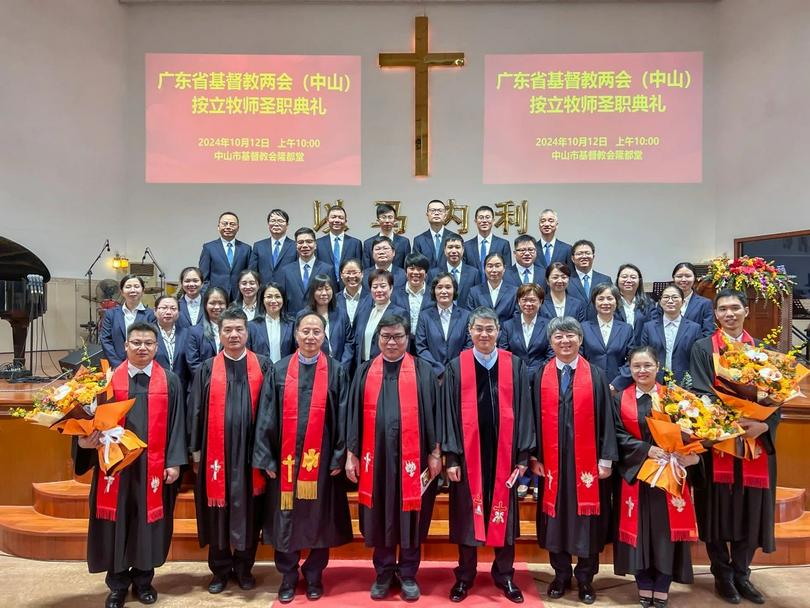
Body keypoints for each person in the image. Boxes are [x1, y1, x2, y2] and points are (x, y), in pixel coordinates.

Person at [74, 322, 186, 608]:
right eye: (136, 342)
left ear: (157, 347)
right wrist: (83, 443)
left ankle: (144, 580)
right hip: (116, 468)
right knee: (116, 523)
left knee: (147, 523)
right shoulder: (107, 380)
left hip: (152, 468)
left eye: (148, 343)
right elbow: (87, 424)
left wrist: (173, 462)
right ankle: (118, 584)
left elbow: (177, 425)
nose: (142, 348)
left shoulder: (170, 380)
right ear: (125, 345)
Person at [253, 312, 353, 603]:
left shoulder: (336, 371)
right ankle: (287, 576)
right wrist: (267, 458)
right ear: (295, 335)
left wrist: (338, 456)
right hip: (285, 463)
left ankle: (313, 576)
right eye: (305, 331)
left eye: (316, 332)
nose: (311, 337)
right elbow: (266, 416)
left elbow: (344, 417)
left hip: (320, 465)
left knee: (318, 520)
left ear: (324, 336)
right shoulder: (279, 370)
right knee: (285, 518)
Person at [689, 289, 778, 605]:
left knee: (750, 511)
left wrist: (764, 424)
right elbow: (701, 391)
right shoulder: (702, 349)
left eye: (735, 308)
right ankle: (721, 575)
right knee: (715, 510)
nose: (729, 313)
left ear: (745, 311)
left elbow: (777, 396)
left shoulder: (763, 352)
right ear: (715, 314)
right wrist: (729, 423)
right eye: (723, 309)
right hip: (719, 445)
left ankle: (742, 573)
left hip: (756, 444)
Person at [346, 313, 442, 601]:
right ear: (377, 339)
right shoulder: (364, 371)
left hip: (413, 462)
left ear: (407, 338)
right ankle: (384, 572)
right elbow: (351, 416)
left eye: (397, 336)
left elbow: (435, 416)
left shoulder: (423, 371)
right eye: (385, 336)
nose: (391, 342)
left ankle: (409, 573)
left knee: (411, 516)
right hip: (376, 462)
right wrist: (351, 455)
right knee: (381, 515)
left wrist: (435, 453)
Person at [442, 307, 534, 604]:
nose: (484, 334)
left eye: (489, 329)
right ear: (469, 332)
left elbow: (525, 413)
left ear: (499, 332)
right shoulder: (457, 366)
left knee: (503, 517)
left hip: (505, 456)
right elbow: (449, 415)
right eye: (478, 329)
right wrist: (452, 458)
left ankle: (505, 575)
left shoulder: (514, 365)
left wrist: (522, 456)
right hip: (468, 459)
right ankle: (465, 575)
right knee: (469, 515)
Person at [531, 316, 617, 604]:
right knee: (556, 520)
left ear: (581, 340)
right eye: (558, 336)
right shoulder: (539, 375)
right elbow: (531, 420)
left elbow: (607, 420)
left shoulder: (596, 375)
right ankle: (560, 575)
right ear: (550, 341)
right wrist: (534, 457)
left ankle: (585, 578)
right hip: (552, 465)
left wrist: (606, 459)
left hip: (587, 466)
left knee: (586, 522)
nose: (564, 341)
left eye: (570, 336)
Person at [187, 308, 273, 594]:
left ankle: (244, 567)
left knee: (250, 511)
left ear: (247, 333)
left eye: (239, 329)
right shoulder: (208, 368)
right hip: (217, 456)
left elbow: (272, 412)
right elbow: (196, 411)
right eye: (227, 330)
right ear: (218, 334)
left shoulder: (263, 365)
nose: (233, 335)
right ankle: (220, 569)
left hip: (252, 456)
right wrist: (196, 452)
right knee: (218, 511)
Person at [614, 346, 701, 608]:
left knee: (664, 532)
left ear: (657, 367)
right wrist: (646, 449)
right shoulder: (620, 399)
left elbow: (694, 432)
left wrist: (691, 455)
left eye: (647, 366)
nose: (641, 371)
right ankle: (643, 582)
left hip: (669, 476)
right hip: (637, 473)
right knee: (640, 531)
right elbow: (616, 435)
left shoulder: (675, 399)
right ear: (629, 369)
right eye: (636, 366)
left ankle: (663, 582)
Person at [639, 285, 702, 386]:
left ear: (683, 302)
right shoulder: (649, 327)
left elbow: (697, 360)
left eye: (675, 297)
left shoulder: (694, 328)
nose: (670, 301)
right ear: (660, 302)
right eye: (666, 297)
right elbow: (644, 355)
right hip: (655, 381)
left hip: (684, 382)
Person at [415, 272, 472, 379]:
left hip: (459, 374)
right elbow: (421, 347)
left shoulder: (466, 315)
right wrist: (439, 370)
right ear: (434, 291)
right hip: (432, 375)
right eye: (439, 287)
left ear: (454, 290)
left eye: (448, 287)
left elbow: (469, 345)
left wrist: (454, 368)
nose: (444, 291)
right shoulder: (424, 316)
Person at [581, 283, 635, 391]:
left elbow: (632, 360)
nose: (605, 303)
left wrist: (616, 385)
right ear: (594, 302)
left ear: (616, 302)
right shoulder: (583, 328)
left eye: (610, 298)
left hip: (618, 388)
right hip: (589, 386)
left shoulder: (626, 329)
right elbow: (579, 358)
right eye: (601, 299)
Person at [351, 269, 409, 366]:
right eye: (375, 287)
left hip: (387, 367)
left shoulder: (400, 313)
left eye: (383, 286)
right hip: (362, 366)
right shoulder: (363, 312)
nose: (379, 290)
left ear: (391, 288)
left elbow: (404, 346)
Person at [100, 274, 157, 368]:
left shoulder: (151, 315)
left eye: (136, 286)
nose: (132, 290)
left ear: (143, 291)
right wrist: (117, 364)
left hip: (143, 365)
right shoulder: (111, 314)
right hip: (116, 365)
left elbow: (153, 341)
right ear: (122, 292)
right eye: (128, 287)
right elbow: (105, 340)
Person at [499, 283, 552, 378]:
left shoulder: (549, 325)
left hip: (541, 376)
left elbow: (551, 353)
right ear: (519, 301)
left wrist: (539, 373)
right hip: (514, 375)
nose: (528, 304)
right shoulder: (508, 325)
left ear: (540, 302)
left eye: (532, 300)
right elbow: (503, 353)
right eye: (524, 300)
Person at [199, 211, 251, 300]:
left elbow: (249, 274)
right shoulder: (209, 248)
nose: (228, 227)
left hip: (239, 297)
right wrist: (207, 295)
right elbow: (204, 277)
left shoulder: (246, 249)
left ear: (238, 228)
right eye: (225, 224)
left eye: (232, 224)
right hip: (216, 297)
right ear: (218, 227)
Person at [278, 227, 332, 314]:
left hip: (319, 320)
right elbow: (282, 299)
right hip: (292, 321)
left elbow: (332, 299)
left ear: (315, 245)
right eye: (300, 242)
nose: (305, 245)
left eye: (309, 241)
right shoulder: (286, 271)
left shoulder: (327, 269)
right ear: (296, 246)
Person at [305, 273, 354, 366]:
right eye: (320, 289)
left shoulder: (341, 313)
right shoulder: (304, 316)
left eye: (327, 289)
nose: (324, 293)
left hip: (340, 367)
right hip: (313, 367)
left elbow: (349, 342)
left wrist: (342, 366)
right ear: (313, 292)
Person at [315, 205, 363, 286]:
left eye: (340, 217)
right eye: (333, 217)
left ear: (345, 221)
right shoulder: (318, 243)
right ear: (327, 220)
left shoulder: (355, 243)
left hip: (349, 286)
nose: (337, 220)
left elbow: (359, 268)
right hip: (325, 287)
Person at [247, 283, 295, 363]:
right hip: (260, 372)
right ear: (262, 300)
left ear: (283, 299)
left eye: (277, 296)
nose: (273, 300)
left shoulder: (292, 324)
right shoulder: (252, 326)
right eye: (269, 297)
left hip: (285, 372)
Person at [185, 287, 229, 375]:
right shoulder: (194, 331)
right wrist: (213, 378)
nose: (217, 307)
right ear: (205, 305)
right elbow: (193, 363)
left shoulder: (233, 331)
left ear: (227, 305)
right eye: (212, 303)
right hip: (202, 383)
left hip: (230, 383)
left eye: (221, 303)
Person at [465, 252, 518, 325]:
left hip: (507, 335)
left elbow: (516, 319)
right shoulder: (474, 292)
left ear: (504, 268)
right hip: (481, 334)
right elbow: (470, 319)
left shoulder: (514, 292)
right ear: (484, 269)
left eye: (497, 266)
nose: (494, 270)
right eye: (490, 266)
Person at [249, 209, 298, 285]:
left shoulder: (295, 246)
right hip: (264, 292)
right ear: (268, 224)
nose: (276, 224)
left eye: (280, 221)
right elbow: (252, 272)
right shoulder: (258, 246)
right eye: (273, 221)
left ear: (287, 225)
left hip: (287, 291)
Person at [427, 235, 480, 306]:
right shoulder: (434, 273)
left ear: (463, 250)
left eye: (457, 247)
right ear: (445, 250)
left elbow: (477, 299)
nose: (454, 251)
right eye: (450, 247)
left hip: (467, 315)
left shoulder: (474, 273)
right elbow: (431, 299)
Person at [462, 205, 512, 280]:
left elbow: (507, 271)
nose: (484, 221)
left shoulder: (503, 244)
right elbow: (465, 271)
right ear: (475, 221)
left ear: (493, 221)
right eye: (481, 218)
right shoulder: (466, 246)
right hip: (473, 289)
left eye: (487, 217)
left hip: (496, 287)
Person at [154, 295, 190, 393]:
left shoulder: (186, 333)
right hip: (154, 387)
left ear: (178, 313)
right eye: (164, 308)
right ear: (155, 311)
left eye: (173, 308)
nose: (168, 312)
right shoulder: (148, 333)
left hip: (181, 388)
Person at [568, 240, 612, 320]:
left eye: (587, 253)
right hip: (574, 328)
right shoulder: (567, 281)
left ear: (593, 256)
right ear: (572, 258)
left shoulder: (605, 280)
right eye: (579, 254)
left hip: (598, 327)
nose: (584, 256)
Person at [669, 262, 715, 337]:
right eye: (679, 276)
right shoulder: (665, 302)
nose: (683, 279)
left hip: (695, 347)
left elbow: (708, 332)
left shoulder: (705, 303)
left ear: (694, 278)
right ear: (673, 278)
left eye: (688, 276)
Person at [411, 199, 460, 269]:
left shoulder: (455, 238)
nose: (436, 213)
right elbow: (417, 264)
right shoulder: (419, 240)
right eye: (433, 210)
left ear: (445, 215)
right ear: (427, 214)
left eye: (440, 210)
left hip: (448, 278)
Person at [392, 252, 430, 336]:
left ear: (426, 273)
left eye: (420, 269)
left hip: (426, 342)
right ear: (405, 272)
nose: (416, 272)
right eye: (412, 268)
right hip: (402, 342)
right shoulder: (394, 294)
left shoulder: (433, 295)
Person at [362, 203, 411, 268]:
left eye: (390, 217)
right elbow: (366, 269)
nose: (387, 221)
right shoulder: (368, 243)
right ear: (378, 221)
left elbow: (407, 267)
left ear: (395, 220)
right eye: (384, 217)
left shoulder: (404, 242)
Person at [614, 263, 654, 343]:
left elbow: (653, 329)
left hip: (641, 350)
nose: (628, 280)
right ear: (618, 279)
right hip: (616, 350)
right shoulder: (611, 303)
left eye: (633, 277)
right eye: (624, 277)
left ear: (639, 281)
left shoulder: (648, 304)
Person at [335, 258, 367, 326]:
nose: (352, 276)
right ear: (341, 275)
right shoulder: (335, 299)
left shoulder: (371, 298)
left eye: (355, 272)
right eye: (348, 273)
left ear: (362, 274)